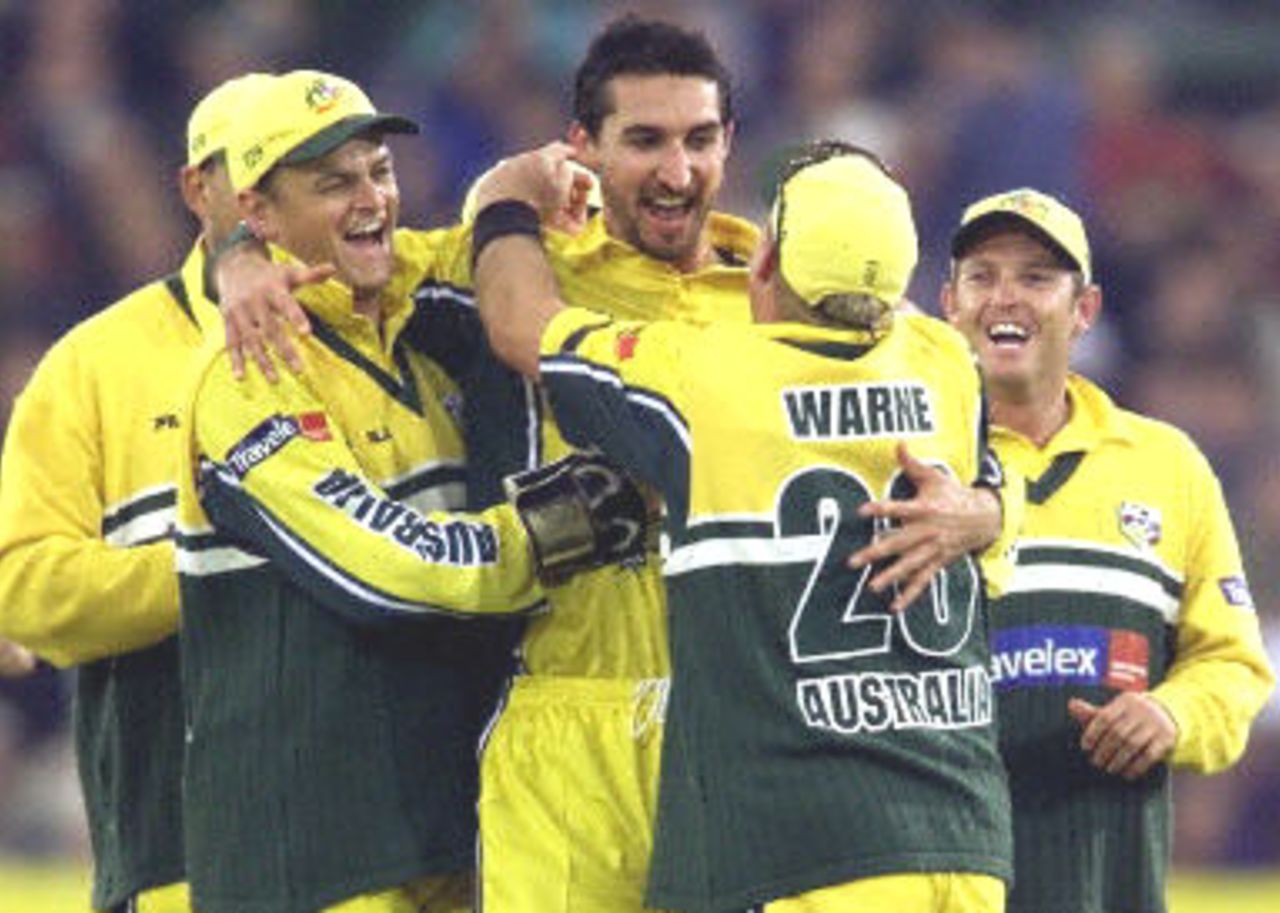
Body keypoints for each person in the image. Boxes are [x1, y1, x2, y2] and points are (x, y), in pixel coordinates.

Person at [214, 19, 1012, 913]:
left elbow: (956, 440)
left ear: (731, 143)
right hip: (565, 719)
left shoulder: (787, 290)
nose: (678, 171)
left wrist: (984, 510)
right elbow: (338, 249)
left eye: (700, 139)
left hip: (742, 733)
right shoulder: (498, 267)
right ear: (584, 148)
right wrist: (234, 258)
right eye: (645, 141)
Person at [469, 140, 1017, 912]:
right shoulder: (946, 364)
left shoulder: (706, 379)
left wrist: (500, 202)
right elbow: (995, 472)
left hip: (809, 844)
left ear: (764, 266)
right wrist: (990, 510)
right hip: (964, 836)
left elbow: (522, 322)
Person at [174, 68, 648, 913]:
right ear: (261, 213)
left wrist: (514, 183)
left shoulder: (407, 306)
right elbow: (390, 569)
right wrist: (558, 528)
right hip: (311, 853)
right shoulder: (247, 373)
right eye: (333, 183)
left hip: (442, 826)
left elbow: (497, 243)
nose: (371, 200)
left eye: (378, 172)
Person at [939, 187, 1276, 913]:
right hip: (941, 877)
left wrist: (1170, 713)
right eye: (983, 275)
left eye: (1035, 278)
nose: (1007, 297)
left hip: (1108, 879)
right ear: (950, 304)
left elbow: (1235, 665)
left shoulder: (1166, 464)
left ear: (1084, 309)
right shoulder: (903, 460)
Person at [0, 73, 270, 913]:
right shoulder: (95, 365)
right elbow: (27, 595)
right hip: (129, 796)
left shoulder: (402, 332)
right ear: (199, 191)